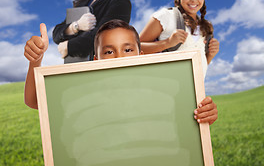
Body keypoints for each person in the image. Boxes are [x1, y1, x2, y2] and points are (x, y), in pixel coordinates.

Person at [24, 20, 217, 125]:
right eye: (109, 51)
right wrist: (35, 61)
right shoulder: (84, 93)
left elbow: (188, 119)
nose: (119, 57)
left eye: (127, 50)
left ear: (140, 56)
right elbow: (33, 101)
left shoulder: (161, 93)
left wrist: (206, 114)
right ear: (96, 60)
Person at [139, 0, 219, 77]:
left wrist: (210, 55)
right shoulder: (165, 16)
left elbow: (201, 65)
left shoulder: (205, 27)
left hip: (195, 90)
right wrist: (167, 43)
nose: (194, 0)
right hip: (166, 87)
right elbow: (135, 48)